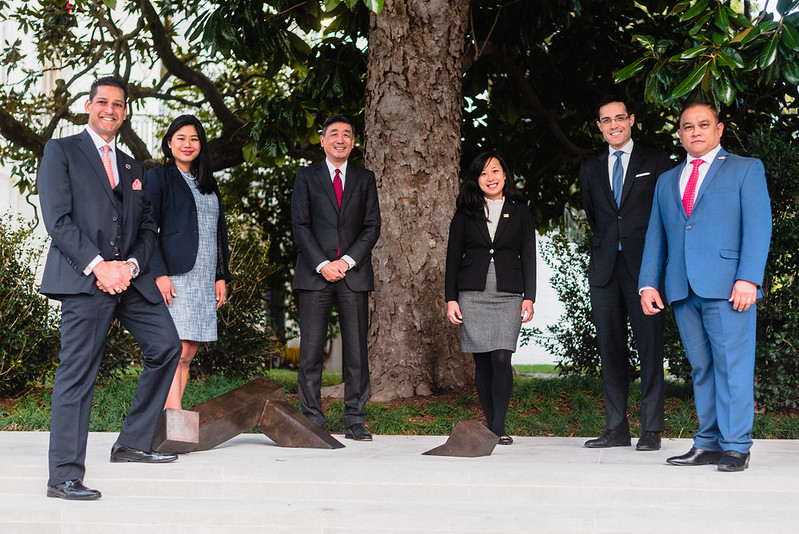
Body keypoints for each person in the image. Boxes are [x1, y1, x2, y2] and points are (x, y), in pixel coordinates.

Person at [38, 76, 181, 501]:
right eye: (103, 102)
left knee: (167, 346)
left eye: (118, 105)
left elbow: (148, 225)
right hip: (86, 279)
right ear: (88, 105)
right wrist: (101, 267)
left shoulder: (134, 165)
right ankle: (63, 475)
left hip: (130, 279)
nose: (110, 110)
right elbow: (58, 219)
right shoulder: (61, 151)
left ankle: (133, 442)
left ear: (124, 112)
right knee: (77, 373)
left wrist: (133, 264)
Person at [639, 101, 772, 472]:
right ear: (679, 134)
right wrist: (649, 283)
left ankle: (736, 446)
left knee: (733, 367)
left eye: (703, 124)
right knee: (702, 369)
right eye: (687, 126)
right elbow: (656, 236)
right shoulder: (667, 180)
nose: (695, 131)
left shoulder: (746, 169)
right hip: (682, 289)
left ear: (719, 129)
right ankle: (709, 443)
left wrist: (749, 278)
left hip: (730, 288)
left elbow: (759, 227)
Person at [579, 97, 673, 452]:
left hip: (644, 268)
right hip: (604, 270)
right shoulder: (590, 168)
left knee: (650, 349)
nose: (613, 124)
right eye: (606, 120)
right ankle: (616, 427)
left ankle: (651, 429)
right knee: (610, 350)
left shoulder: (657, 160)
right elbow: (596, 215)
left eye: (620, 118)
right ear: (599, 125)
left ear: (631, 120)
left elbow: (664, 215)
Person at [291, 115, 381, 441]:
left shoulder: (365, 178)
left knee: (356, 352)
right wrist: (322, 264)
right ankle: (312, 418)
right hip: (315, 276)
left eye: (346, 134)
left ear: (353, 141)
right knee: (311, 352)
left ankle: (355, 419)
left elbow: (372, 226)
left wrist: (345, 261)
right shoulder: (306, 176)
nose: (340, 139)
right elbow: (300, 226)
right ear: (323, 140)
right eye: (334, 134)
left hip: (353, 275)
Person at [445, 151, 536, 445]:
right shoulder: (465, 212)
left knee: (501, 356)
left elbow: (529, 257)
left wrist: (529, 297)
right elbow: (452, 259)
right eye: (483, 173)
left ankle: (498, 426)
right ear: (476, 180)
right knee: (483, 362)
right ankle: (490, 423)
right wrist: (451, 299)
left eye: (495, 171)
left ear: (504, 175)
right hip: (472, 293)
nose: (490, 178)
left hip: (509, 293)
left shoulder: (520, 211)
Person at [147, 115, 231, 410]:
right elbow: (148, 228)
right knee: (176, 349)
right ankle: (171, 417)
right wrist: (159, 273)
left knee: (190, 350)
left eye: (194, 139)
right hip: (176, 275)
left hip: (204, 276)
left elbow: (219, 231)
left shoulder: (206, 181)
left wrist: (221, 275)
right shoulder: (158, 177)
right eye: (181, 138)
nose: (187, 144)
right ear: (169, 143)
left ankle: (173, 414)